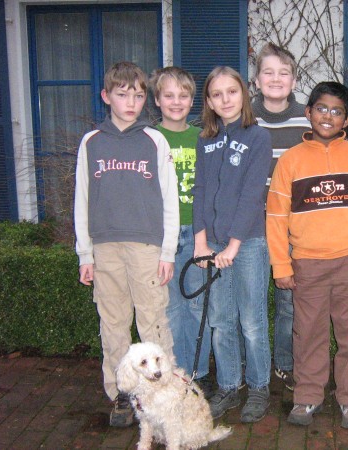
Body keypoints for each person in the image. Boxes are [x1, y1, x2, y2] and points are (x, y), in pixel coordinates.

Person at [267, 81, 348, 429]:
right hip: (307, 263)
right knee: (308, 333)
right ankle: (307, 395)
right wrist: (281, 264)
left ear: (347, 120)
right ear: (308, 112)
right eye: (321, 108)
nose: (328, 116)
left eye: (337, 112)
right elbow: (276, 217)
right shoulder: (290, 161)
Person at [74, 61, 179, 427]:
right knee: (114, 323)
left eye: (137, 96)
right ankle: (121, 393)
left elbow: (170, 199)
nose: (131, 103)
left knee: (153, 321)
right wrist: (85, 253)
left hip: (146, 247)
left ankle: (163, 391)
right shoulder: (91, 143)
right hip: (105, 248)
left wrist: (167, 251)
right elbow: (82, 200)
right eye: (122, 95)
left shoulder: (154, 140)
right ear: (107, 97)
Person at [192, 66, 272, 423]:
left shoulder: (258, 136)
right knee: (221, 320)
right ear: (209, 101)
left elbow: (253, 194)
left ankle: (258, 386)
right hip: (212, 243)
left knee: (251, 320)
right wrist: (201, 243)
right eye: (217, 94)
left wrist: (234, 247)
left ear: (244, 94)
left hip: (248, 243)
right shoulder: (205, 140)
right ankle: (228, 385)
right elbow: (200, 191)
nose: (225, 99)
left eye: (232, 91)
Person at [148, 66, 214, 398]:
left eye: (183, 96)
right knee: (170, 308)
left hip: (197, 231)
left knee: (196, 305)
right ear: (157, 100)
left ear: (192, 100)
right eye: (169, 95)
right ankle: (176, 372)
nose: (176, 102)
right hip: (162, 236)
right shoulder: (149, 139)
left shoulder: (203, 138)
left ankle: (199, 372)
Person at [252, 42, 310, 391]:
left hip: (293, 228)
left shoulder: (309, 118)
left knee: (290, 304)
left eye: (283, 73)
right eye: (268, 72)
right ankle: (251, 368)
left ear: (294, 79)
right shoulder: (242, 117)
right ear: (257, 79)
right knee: (251, 305)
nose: (276, 79)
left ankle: (285, 365)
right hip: (249, 227)